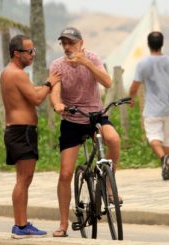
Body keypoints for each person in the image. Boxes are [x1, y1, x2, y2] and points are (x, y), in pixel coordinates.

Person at [50, 27, 122, 237]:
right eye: (63, 43)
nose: (67, 47)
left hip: (95, 117)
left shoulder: (92, 58)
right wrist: (57, 105)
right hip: (72, 119)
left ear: (81, 43)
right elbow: (55, 93)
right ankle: (63, 223)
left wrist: (86, 63)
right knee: (65, 173)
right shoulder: (57, 65)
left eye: (71, 42)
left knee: (114, 140)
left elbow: (108, 82)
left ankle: (109, 184)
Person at [0, 34, 61, 238]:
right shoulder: (16, 73)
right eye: (30, 51)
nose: (33, 54)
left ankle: (21, 223)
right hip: (22, 132)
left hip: (17, 131)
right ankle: (21, 226)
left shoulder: (9, 72)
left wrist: (44, 86)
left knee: (23, 179)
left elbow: (29, 92)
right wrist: (50, 83)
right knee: (23, 180)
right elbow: (35, 98)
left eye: (34, 50)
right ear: (17, 54)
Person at [129, 31, 169, 181]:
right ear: (162, 43)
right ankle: (167, 164)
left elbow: (134, 86)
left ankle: (163, 158)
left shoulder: (142, 64)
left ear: (148, 44)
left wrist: (131, 98)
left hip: (152, 109)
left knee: (153, 137)